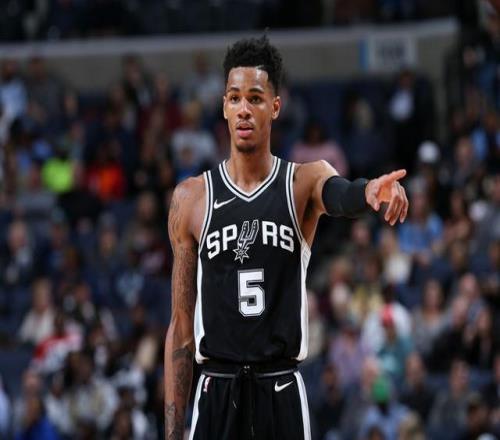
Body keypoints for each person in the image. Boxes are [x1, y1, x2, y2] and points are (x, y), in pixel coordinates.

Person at [164, 35, 409, 440]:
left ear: (275, 107)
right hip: (216, 389)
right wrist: (173, 433)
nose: (244, 109)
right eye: (235, 98)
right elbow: (181, 327)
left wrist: (367, 191)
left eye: (255, 98)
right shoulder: (191, 198)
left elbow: (340, 194)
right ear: (224, 106)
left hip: (279, 388)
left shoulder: (302, 181)